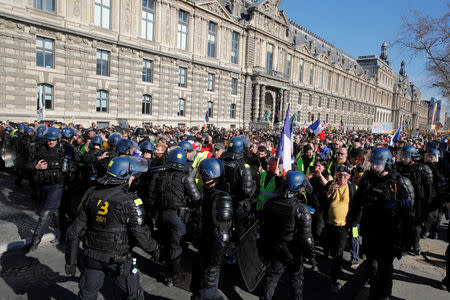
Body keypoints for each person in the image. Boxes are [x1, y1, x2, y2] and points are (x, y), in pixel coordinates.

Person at [64, 156, 160, 300]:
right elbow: (140, 233)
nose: (133, 179)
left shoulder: (91, 193)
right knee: (134, 295)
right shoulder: (131, 200)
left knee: (87, 295)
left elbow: (73, 232)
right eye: (132, 176)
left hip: (92, 256)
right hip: (118, 258)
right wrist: (156, 251)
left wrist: (71, 261)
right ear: (124, 177)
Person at [349, 147, 415, 300]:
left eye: (377, 164)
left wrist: (407, 240)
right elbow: (357, 201)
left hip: (390, 233)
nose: (373, 167)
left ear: (386, 164)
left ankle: (384, 295)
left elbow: (409, 213)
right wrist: (352, 220)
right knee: (371, 265)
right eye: (372, 164)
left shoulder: (400, 182)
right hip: (370, 229)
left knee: (385, 269)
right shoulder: (367, 178)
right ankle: (374, 292)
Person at [147, 148, 201, 286]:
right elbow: (197, 198)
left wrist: (153, 215)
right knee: (176, 246)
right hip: (178, 217)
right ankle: (174, 276)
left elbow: (150, 198)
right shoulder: (185, 178)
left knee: (164, 243)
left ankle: (166, 271)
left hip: (161, 215)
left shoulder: (158, 176)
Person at [260, 171, 315, 300]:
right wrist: (311, 256)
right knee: (296, 279)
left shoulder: (270, 202)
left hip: (275, 245)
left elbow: (264, 226)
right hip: (292, 250)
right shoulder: (301, 209)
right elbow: (307, 239)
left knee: (272, 276)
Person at [192, 158, 233, 300]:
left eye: (201, 175)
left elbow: (222, 237)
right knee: (198, 290)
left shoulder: (222, 198)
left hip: (212, 255)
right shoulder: (208, 194)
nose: (198, 178)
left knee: (207, 294)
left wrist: (213, 268)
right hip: (204, 249)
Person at [24, 127, 67, 252]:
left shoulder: (64, 149)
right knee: (55, 211)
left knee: (45, 213)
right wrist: (36, 167)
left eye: (53, 140)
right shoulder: (38, 148)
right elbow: (28, 166)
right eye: (49, 139)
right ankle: (62, 234)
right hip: (42, 185)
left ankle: (34, 242)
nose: (51, 142)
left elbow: (76, 162)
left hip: (57, 185)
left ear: (58, 139)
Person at [322, 164, 357, 293]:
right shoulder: (331, 185)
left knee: (338, 253)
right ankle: (335, 266)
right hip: (329, 225)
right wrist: (330, 192)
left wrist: (352, 225)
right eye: (339, 174)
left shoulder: (353, 188)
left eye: (345, 175)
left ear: (349, 176)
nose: (342, 177)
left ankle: (333, 280)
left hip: (343, 227)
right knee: (330, 250)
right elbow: (322, 203)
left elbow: (357, 209)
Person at [395, 145, 433, 255]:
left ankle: (416, 244)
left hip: (417, 202)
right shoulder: (398, 167)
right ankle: (404, 246)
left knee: (416, 224)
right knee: (402, 224)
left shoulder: (421, 169)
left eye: (405, 156)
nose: (403, 158)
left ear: (412, 157)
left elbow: (428, 189)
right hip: (402, 200)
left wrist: (427, 206)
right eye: (402, 155)